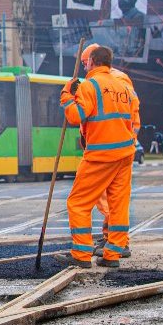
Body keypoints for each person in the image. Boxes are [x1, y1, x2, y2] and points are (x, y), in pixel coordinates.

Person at [59, 43, 140, 269]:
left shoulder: (91, 85)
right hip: (125, 154)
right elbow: (133, 117)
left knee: (78, 203)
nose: (85, 67)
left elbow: (76, 116)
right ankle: (113, 254)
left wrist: (66, 96)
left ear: (93, 61)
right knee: (118, 205)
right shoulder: (123, 86)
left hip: (101, 154)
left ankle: (82, 254)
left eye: (86, 63)